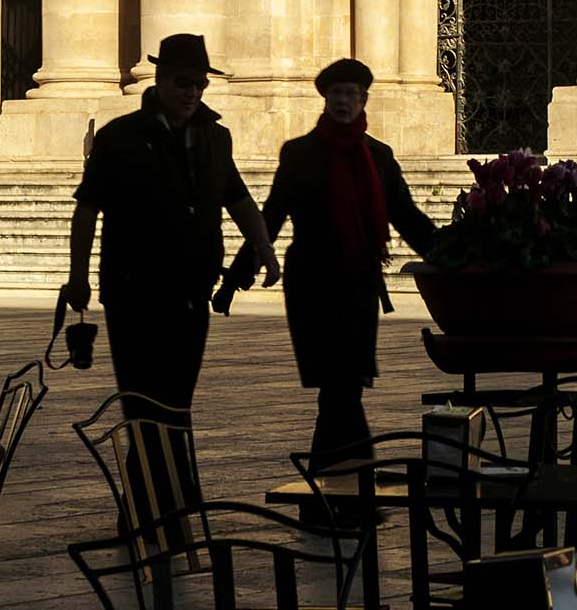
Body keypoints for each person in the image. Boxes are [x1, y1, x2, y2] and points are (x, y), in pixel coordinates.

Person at [217, 58, 438, 470]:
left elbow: (407, 217)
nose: (342, 101)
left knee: (343, 388)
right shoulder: (300, 153)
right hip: (313, 286)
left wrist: (450, 255)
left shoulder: (379, 157)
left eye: (350, 94)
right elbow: (272, 214)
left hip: (358, 284)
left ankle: (335, 483)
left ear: (363, 100)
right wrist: (237, 276)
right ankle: (348, 483)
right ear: (325, 98)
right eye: (336, 93)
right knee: (339, 386)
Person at [61, 33, 280, 416]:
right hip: (134, 293)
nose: (193, 92)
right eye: (183, 82)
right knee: (143, 404)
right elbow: (87, 209)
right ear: (160, 80)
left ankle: (175, 476)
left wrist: (264, 249)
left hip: (192, 289)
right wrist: (78, 276)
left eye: (201, 83)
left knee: (178, 403)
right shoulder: (119, 137)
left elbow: (238, 198)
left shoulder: (216, 137)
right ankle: (153, 475)